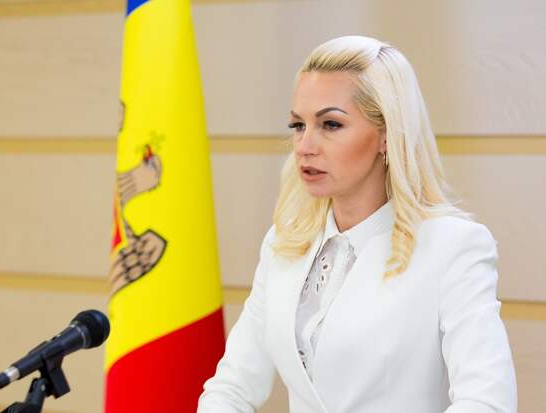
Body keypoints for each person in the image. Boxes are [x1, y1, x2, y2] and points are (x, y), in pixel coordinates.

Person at [197, 35, 517, 413]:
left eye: (330, 124)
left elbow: (487, 402)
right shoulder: (285, 243)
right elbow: (232, 387)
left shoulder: (452, 247)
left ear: (386, 135)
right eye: (298, 125)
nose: (304, 146)